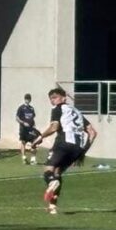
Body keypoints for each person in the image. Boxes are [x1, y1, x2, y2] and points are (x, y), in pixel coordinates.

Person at [32, 87, 98, 215]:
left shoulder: (58, 108)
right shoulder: (77, 112)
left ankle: (52, 182)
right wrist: (83, 152)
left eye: (55, 97)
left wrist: (39, 138)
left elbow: (54, 127)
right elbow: (93, 132)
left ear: (64, 97)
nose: (53, 101)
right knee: (57, 172)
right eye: (51, 99)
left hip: (63, 143)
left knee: (48, 170)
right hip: (77, 148)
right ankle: (52, 206)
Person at [16, 94, 40, 164]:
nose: (27, 100)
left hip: (31, 129)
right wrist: (23, 123)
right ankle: (24, 158)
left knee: (34, 142)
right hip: (23, 129)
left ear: (30, 99)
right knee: (23, 142)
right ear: (24, 99)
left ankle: (33, 159)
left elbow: (32, 118)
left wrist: (34, 126)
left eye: (29, 99)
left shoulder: (31, 108)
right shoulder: (21, 108)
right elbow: (17, 118)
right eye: (26, 98)